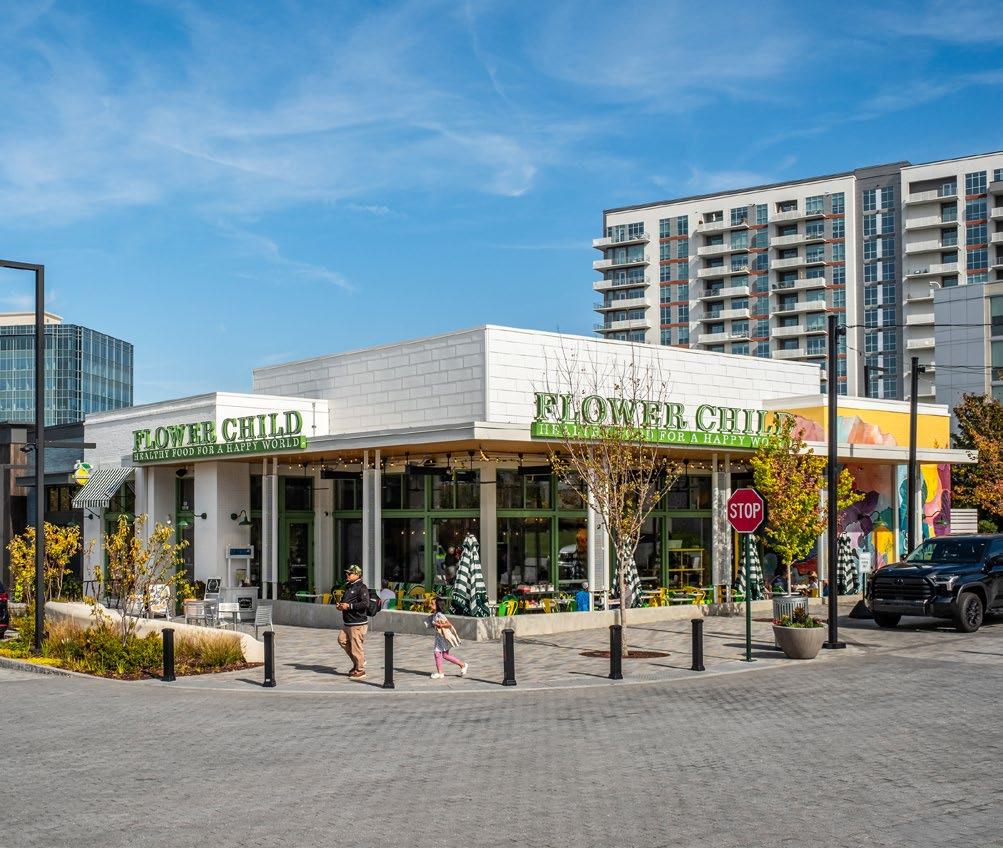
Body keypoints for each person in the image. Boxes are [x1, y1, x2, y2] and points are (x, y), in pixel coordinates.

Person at [335, 564, 369, 680]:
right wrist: (340, 605)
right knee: (342, 640)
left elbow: (365, 604)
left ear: (357, 575)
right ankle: (358, 661)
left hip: (357, 622)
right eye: (347, 573)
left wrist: (349, 606)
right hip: (348, 622)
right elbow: (346, 601)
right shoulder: (348, 586)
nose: (347, 575)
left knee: (356, 647)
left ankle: (360, 670)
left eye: (350, 573)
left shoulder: (362, 587)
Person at [424, 598, 468, 680]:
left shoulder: (440, 615)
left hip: (443, 638)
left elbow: (449, 624)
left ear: (438, 605)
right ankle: (462, 665)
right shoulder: (436, 614)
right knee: (445, 655)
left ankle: (440, 673)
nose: (431, 605)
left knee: (437, 653)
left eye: (433, 604)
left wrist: (440, 625)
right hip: (439, 637)